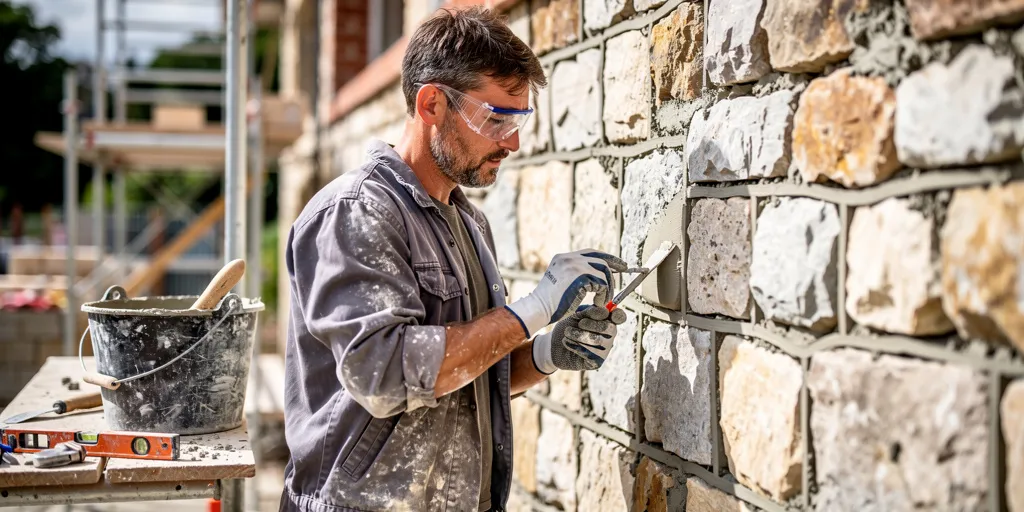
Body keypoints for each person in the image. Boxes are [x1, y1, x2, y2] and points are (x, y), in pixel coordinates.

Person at [279, 7, 628, 512]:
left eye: (520, 119)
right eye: (497, 118)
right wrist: (534, 307)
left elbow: (464, 371)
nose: (513, 142)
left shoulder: (468, 223)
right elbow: (383, 375)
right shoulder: (357, 212)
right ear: (432, 104)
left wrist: (546, 353)